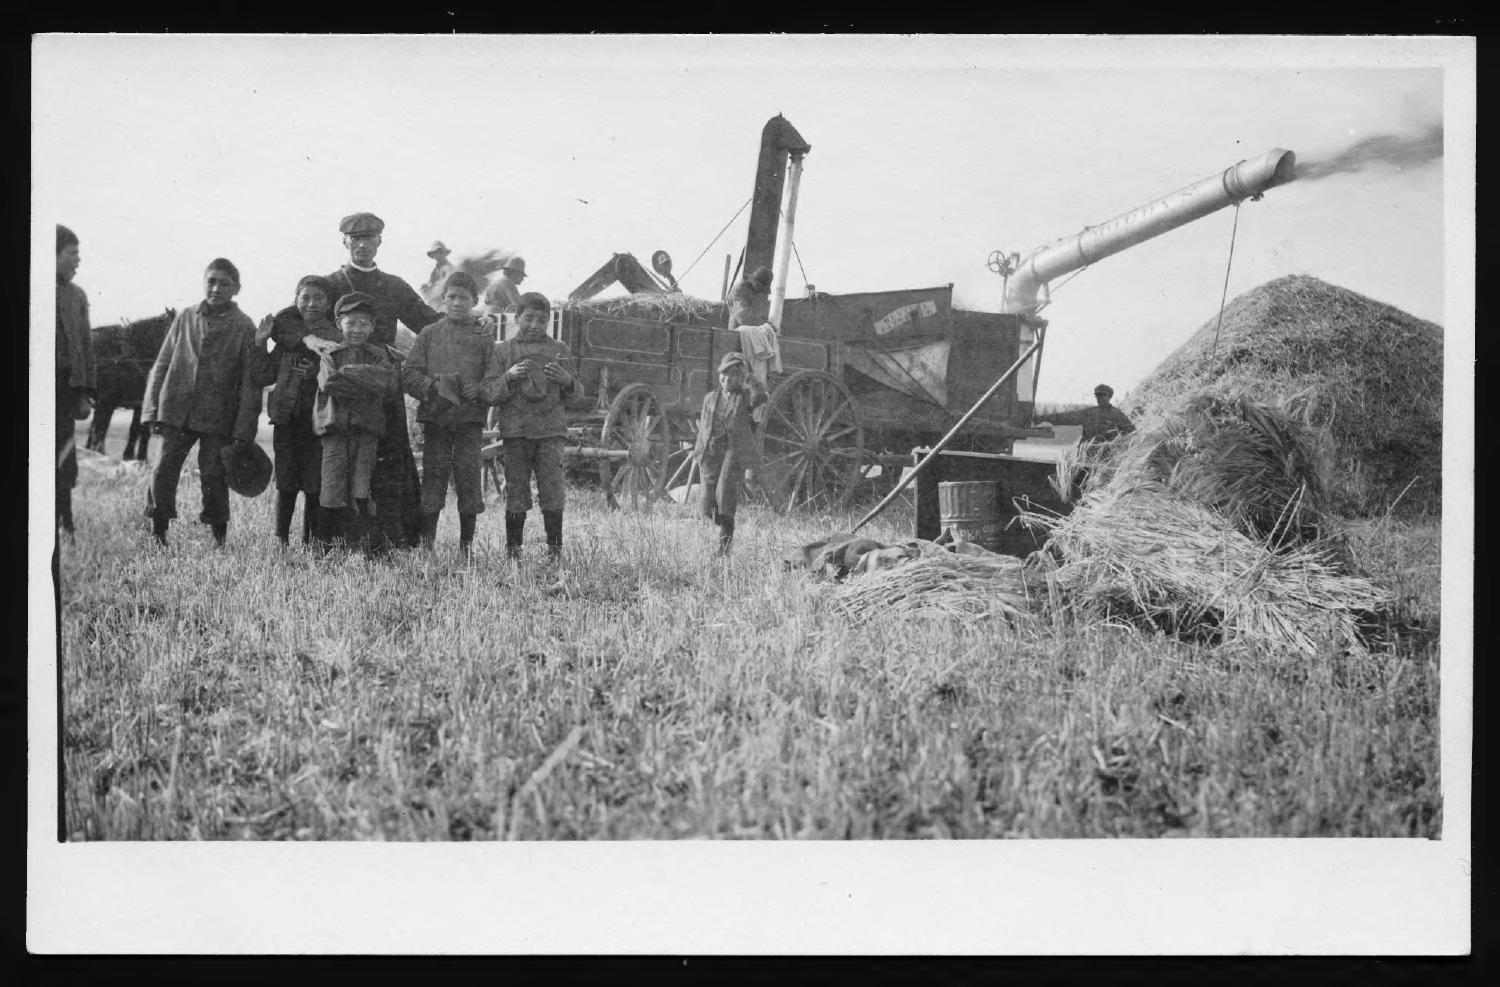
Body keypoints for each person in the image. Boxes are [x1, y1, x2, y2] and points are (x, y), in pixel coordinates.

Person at [325, 212, 440, 553]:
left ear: (379, 242)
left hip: (383, 386)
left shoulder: (394, 285)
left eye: (369, 238)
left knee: (390, 457)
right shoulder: (329, 283)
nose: (362, 245)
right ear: (345, 242)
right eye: (355, 239)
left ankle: (391, 538)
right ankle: (340, 541)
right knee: (339, 460)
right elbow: (297, 318)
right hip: (342, 387)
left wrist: (465, 325)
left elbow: (427, 322)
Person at [141, 258, 262, 548]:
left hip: (219, 416)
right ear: (204, 281)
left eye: (225, 283)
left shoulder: (244, 326)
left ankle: (219, 539)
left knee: (214, 473)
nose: (217, 288)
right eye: (212, 281)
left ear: (237, 289)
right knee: (163, 468)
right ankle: (158, 533)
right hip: (175, 409)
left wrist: (244, 428)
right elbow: (163, 363)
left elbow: (250, 381)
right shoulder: (185, 316)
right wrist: (151, 408)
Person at [481, 291, 579, 561]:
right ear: (516, 318)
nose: (535, 325)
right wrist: (508, 377)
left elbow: (578, 394)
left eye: (541, 320)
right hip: (516, 433)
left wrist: (567, 380)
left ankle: (555, 552)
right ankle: (513, 553)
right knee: (516, 490)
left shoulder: (560, 350)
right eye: (529, 318)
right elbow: (488, 392)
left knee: (552, 490)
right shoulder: (503, 351)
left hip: (550, 433)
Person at [401, 272, 494, 557]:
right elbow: (409, 374)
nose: (456, 303)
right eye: (451, 297)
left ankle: (466, 548)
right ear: (442, 300)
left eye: (463, 298)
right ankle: (427, 545)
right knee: (434, 477)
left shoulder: (482, 336)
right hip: (437, 419)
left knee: (468, 478)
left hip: (469, 421)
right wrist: (434, 387)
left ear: (474, 302)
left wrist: (477, 390)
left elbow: (493, 375)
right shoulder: (430, 333)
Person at [249, 275, 342, 546]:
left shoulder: (335, 336)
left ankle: (309, 542)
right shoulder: (286, 338)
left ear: (329, 303)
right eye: (306, 298)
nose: (312, 304)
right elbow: (263, 375)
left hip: (320, 421)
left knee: (315, 485)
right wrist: (260, 343)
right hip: (287, 419)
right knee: (286, 484)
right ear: (296, 300)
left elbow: (341, 372)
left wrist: (317, 371)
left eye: (319, 299)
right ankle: (280, 540)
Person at [312, 293, 400, 552]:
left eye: (364, 323)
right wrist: (366, 384)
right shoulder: (331, 355)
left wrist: (350, 374)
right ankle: (326, 548)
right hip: (336, 429)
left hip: (367, 431)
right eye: (351, 323)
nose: (358, 329)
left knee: (362, 487)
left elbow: (387, 384)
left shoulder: (378, 356)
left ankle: (361, 548)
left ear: (373, 326)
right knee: (331, 487)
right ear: (339, 324)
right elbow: (330, 383)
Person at [692, 351, 768, 555]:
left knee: (725, 495)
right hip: (711, 451)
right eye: (722, 374)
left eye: (732, 375)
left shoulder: (744, 397)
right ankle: (725, 524)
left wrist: (748, 376)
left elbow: (761, 396)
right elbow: (704, 428)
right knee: (706, 506)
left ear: (738, 377)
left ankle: (724, 546)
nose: (726, 379)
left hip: (734, 451)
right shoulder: (710, 398)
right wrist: (699, 454)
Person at [55, 225, 94, 538]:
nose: (77, 260)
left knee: (64, 457)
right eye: (72, 253)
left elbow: (85, 347)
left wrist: (85, 392)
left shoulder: (77, 295)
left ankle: (65, 523)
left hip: (65, 390)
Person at [1035, 384, 1137, 501]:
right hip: (1084, 457)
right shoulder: (1090, 413)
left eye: (1102, 395)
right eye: (1097, 396)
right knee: (1078, 487)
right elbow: (1067, 417)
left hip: (1104, 459)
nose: (1099, 398)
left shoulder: (1117, 415)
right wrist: (1043, 418)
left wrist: (1121, 446)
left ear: (1109, 396)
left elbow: (1132, 433)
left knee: (1098, 488)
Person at [727, 265, 772, 331]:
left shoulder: (753, 290)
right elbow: (742, 317)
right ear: (756, 283)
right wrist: (764, 324)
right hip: (737, 333)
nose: (760, 292)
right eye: (761, 288)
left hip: (750, 332)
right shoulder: (740, 289)